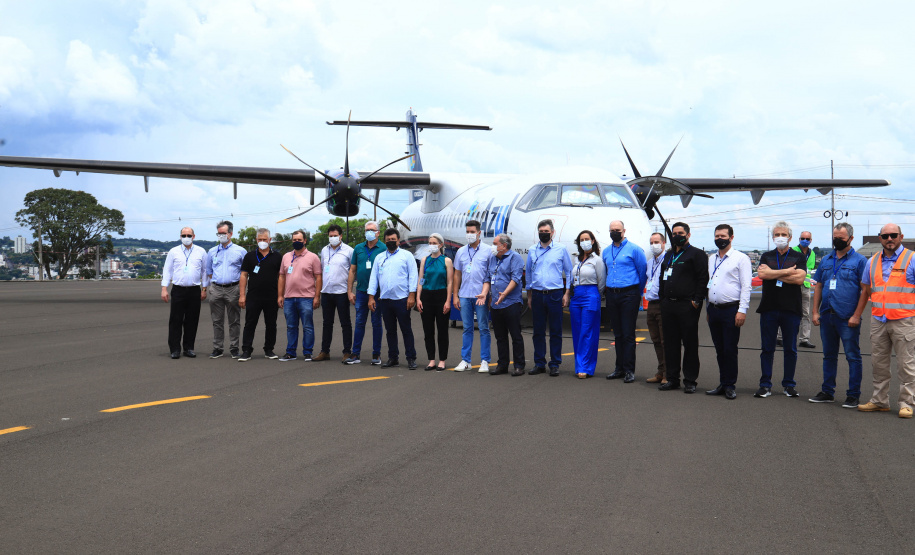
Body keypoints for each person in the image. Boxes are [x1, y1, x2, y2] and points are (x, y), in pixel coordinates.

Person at [857, 223, 915, 418]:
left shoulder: (912, 258)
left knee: (906, 364)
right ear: (880, 238)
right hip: (879, 320)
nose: (889, 239)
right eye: (885, 236)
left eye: (893, 235)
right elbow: (866, 288)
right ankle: (879, 400)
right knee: (879, 363)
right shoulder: (872, 261)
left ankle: (907, 403)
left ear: (901, 236)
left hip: (904, 320)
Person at [808, 223, 868, 407]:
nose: (837, 241)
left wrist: (857, 315)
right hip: (827, 314)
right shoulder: (826, 260)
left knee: (852, 356)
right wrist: (815, 311)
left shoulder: (859, 261)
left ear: (851, 238)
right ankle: (827, 391)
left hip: (847, 316)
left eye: (841, 238)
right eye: (835, 237)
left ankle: (853, 394)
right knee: (828, 355)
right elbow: (818, 285)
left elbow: (865, 290)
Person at [754, 221, 807, 398]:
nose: (780, 238)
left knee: (790, 348)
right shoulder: (766, 256)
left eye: (783, 235)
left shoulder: (798, 257)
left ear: (790, 237)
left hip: (791, 309)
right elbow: (762, 274)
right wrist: (786, 272)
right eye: (777, 234)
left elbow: (799, 279)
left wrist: (774, 273)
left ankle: (789, 384)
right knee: (767, 348)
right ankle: (765, 384)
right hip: (769, 308)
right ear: (772, 237)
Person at [657, 222, 708, 393]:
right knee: (671, 343)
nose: (677, 235)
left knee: (690, 343)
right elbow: (662, 277)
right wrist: (662, 298)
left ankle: (690, 380)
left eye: (680, 232)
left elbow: (702, 279)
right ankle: (672, 379)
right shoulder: (669, 254)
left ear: (688, 234)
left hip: (687, 305)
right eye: (674, 233)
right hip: (668, 304)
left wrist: (696, 300)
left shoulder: (697, 254)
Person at [704, 224, 752, 400]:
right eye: (717, 236)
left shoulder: (741, 259)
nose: (719, 239)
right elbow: (709, 284)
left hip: (731, 309)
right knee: (719, 349)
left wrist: (742, 310)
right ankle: (722, 383)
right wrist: (708, 308)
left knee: (730, 349)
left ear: (731, 237)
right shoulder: (711, 258)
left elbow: (746, 286)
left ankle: (730, 385)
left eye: (723, 236)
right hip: (714, 310)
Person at [526, 219, 573, 376]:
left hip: (555, 294)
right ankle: (539, 363)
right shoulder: (532, 250)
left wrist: (567, 293)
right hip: (538, 294)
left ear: (553, 232)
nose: (544, 234)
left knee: (555, 330)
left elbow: (569, 271)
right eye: (541, 231)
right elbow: (529, 273)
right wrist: (530, 296)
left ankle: (554, 363)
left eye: (546, 232)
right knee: (538, 331)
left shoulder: (561, 249)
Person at [602, 220, 647, 382]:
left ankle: (629, 370)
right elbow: (606, 271)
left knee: (628, 333)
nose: (615, 232)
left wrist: (637, 292)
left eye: (617, 230)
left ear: (624, 231)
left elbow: (642, 272)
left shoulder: (634, 249)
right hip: (612, 295)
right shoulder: (606, 251)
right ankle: (618, 368)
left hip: (629, 294)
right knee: (618, 333)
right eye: (612, 229)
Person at [368, 228, 418, 369]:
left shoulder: (406, 255)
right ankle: (393, 357)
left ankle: (411, 358)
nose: (391, 242)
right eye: (388, 240)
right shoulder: (379, 258)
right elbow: (374, 279)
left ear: (398, 240)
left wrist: (412, 296)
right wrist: (371, 297)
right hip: (385, 300)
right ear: (385, 241)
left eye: (393, 240)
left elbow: (413, 276)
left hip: (402, 299)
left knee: (406, 329)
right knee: (390, 331)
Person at [452, 220, 494, 373]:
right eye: (467, 232)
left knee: (483, 327)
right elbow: (457, 274)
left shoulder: (488, 251)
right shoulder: (461, 251)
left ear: (479, 233)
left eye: (472, 232)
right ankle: (465, 360)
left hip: (480, 295)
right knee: (467, 328)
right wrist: (455, 295)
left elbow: (489, 275)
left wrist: (487, 294)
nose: (469, 234)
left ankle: (485, 360)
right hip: (464, 294)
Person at [161, 227, 208, 359]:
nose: (186, 237)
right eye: (184, 235)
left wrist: (204, 289)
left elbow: (205, 271)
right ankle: (175, 349)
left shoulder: (201, 251)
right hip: (178, 289)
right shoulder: (173, 251)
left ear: (194, 236)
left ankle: (189, 348)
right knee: (176, 319)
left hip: (194, 290)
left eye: (189, 235)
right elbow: (167, 271)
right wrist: (164, 288)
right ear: (180, 236)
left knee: (192, 320)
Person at [238, 228, 282, 361]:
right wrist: (242, 295)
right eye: (260, 239)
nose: (262, 242)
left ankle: (269, 349)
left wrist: (280, 295)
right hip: (253, 296)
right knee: (250, 323)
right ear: (256, 240)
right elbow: (244, 275)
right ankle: (246, 350)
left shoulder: (277, 256)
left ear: (270, 240)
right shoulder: (250, 256)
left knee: (271, 324)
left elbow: (281, 277)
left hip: (271, 296)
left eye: (265, 239)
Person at [277, 230, 322, 362]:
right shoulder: (286, 257)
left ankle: (308, 352)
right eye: (294, 240)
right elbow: (281, 276)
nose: (297, 242)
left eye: (299, 240)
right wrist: (280, 295)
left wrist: (317, 296)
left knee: (307, 326)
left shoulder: (313, 257)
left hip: (306, 297)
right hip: (289, 298)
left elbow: (318, 277)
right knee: (291, 326)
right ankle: (290, 352)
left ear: (305, 241)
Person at [345, 221, 384, 366]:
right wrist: (349, 291)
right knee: (359, 322)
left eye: (372, 230)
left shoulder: (383, 248)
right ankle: (355, 354)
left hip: (377, 292)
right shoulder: (358, 248)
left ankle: (376, 354)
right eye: (367, 230)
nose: (369, 232)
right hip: (361, 292)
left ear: (378, 233)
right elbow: (352, 270)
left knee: (376, 323)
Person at [313, 224, 354, 362]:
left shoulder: (349, 251)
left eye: (335, 236)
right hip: (326, 292)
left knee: (345, 323)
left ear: (341, 236)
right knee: (327, 323)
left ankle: (347, 351)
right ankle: (325, 351)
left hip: (341, 292)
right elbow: (323, 269)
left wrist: (349, 290)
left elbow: (353, 271)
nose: (333, 238)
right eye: (330, 236)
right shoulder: (324, 250)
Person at [206, 220, 247, 359]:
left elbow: (244, 272)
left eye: (223, 233)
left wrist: (242, 293)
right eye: (219, 233)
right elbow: (209, 271)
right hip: (216, 288)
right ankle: (218, 348)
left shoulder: (240, 251)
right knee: (217, 320)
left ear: (230, 233)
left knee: (234, 320)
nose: (221, 235)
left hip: (233, 288)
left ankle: (234, 348)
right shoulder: (212, 251)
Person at [488, 233, 526, 376]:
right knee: (500, 336)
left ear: (504, 245)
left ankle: (519, 365)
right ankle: (502, 365)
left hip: (511, 302)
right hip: (496, 304)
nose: (492, 246)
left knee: (516, 335)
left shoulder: (514, 258)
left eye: (495, 243)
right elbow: (488, 277)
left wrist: (504, 294)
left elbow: (515, 278)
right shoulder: (492, 258)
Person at [571, 230, 606, 379]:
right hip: (576, 296)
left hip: (591, 294)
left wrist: (594, 295)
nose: (584, 241)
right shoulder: (577, 260)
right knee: (577, 332)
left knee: (587, 331)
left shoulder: (597, 260)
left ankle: (585, 366)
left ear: (592, 241)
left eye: (587, 239)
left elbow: (601, 282)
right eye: (581, 239)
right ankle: (579, 365)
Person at [416, 233, 453, 371]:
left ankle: (442, 359)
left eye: (434, 243)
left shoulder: (447, 261)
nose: (431, 245)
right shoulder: (424, 260)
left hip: (441, 295)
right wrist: (418, 298)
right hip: (427, 295)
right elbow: (421, 279)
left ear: (441, 245)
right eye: (430, 243)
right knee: (428, 330)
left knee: (442, 329)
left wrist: (448, 300)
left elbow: (450, 282)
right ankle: (431, 359)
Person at [779, 230, 817, 348]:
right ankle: (780, 338)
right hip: (792, 286)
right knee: (786, 311)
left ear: (811, 240)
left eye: (807, 239)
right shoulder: (792, 251)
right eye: (802, 238)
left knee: (805, 313)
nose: (805, 240)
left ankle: (804, 339)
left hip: (805, 287)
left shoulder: (812, 253)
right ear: (799, 239)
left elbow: (809, 270)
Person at [644, 232, 667, 384]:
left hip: (663, 304)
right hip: (651, 304)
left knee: (666, 340)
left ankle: (668, 374)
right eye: (652, 242)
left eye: (657, 242)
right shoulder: (650, 262)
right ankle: (660, 371)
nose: (654, 245)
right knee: (656, 339)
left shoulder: (668, 260)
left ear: (664, 243)